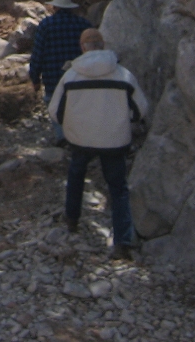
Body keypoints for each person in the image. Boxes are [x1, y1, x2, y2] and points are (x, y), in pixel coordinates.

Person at [49, 28, 149, 261]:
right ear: (103, 46)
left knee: (75, 177)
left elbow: (55, 112)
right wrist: (123, 121)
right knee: (118, 189)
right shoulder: (122, 74)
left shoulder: (71, 75)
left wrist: (73, 125)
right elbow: (140, 109)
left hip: (81, 139)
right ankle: (122, 242)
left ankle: (72, 220)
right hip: (114, 139)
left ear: (82, 47)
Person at [29, 0, 93, 144]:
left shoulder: (45, 25)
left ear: (54, 7)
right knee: (77, 106)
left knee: (54, 105)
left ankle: (61, 137)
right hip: (78, 75)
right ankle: (78, 137)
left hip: (53, 77)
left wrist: (35, 78)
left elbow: (38, 54)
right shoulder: (84, 24)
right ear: (71, 7)